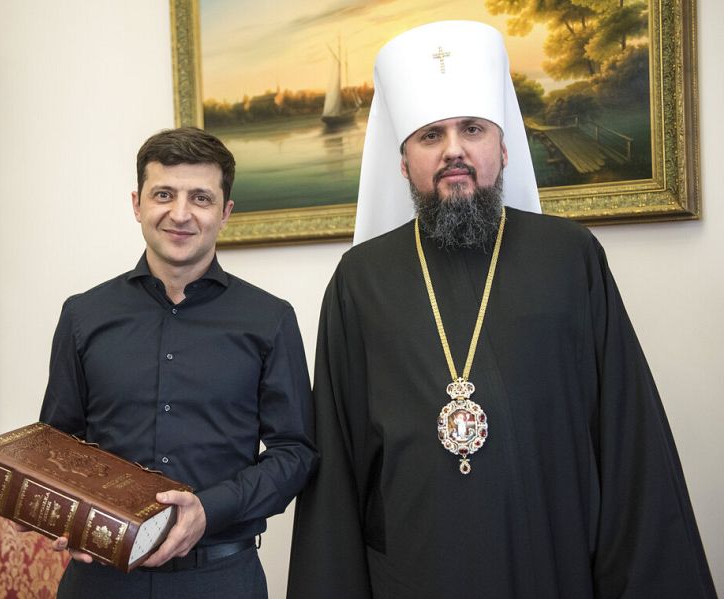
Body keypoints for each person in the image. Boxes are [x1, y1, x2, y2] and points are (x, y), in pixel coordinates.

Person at [287, 21, 715, 598]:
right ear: (403, 161)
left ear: (504, 146)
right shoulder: (359, 282)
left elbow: (627, 441)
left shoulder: (570, 258)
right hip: (416, 571)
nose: (454, 149)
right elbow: (338, 471)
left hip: (555, 561)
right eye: (430, 135)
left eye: (472, 129)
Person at [39, 127, 318, 598]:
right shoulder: (83, 315)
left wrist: (209, 509)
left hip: (221, 579)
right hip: (101, 580)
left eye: (201, 198)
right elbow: (55, 448)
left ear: (225, 213)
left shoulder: (270, 319)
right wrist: (57, 511)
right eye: (163, 194)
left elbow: (295, 454)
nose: (181, 214)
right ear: (137, 204)